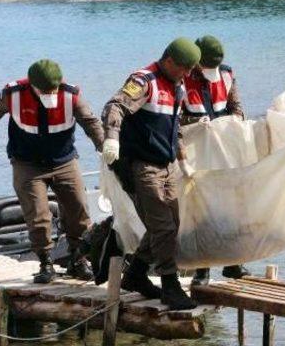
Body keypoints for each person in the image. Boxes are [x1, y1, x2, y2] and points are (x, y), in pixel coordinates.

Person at [0, 59, 105, 283]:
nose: (50, 93)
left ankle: (78, 260)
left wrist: (105, 147)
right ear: (33, 85)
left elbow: (91, 122)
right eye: (45, 90)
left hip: (64, 161)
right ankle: (45, 262)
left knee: (79, 210)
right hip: (27, 164)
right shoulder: (13, 95)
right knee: (38, 215)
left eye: (54, 89)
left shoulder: (71, 95)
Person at [101, 37, 200, 310]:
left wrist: (182, 159)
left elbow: (173, 126)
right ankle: (170, 285)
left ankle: (135, 273)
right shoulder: (144, 81)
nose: (188, 74)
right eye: (185, 68)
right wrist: (111, 138)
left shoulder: (177, 85)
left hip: (165, 165)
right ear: (169, 61)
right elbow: (115, 106)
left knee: (172, 223)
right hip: (141, 166)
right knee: (163, 227)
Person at [181, 35, 250, 286]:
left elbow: (237, 107)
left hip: (224, 150)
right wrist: (196, 125)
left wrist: (233, 122)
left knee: (230, 207)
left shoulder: (228, 74)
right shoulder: (182, 77)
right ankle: (202, 270)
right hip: (195, 154)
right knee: (200, 211)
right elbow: (174, 119)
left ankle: (233, 263)